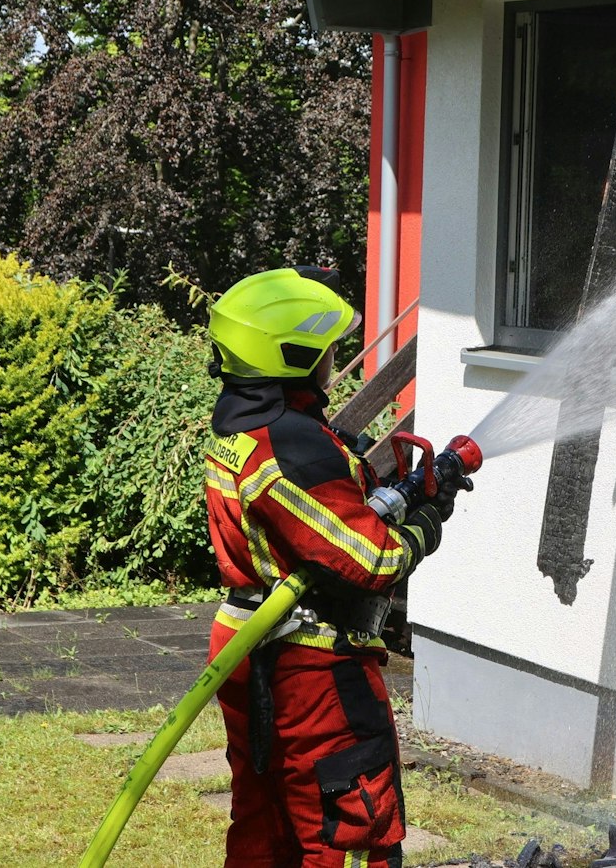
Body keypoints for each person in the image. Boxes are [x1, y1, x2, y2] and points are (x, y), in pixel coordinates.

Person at [202, 266, 453, 868]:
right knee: (348, 821)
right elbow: (374, 558)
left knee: (267, 822)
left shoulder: (245, 422)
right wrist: (428, 521)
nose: (334, 359)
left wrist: (396, 494)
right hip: (311, 664)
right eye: (328, 350)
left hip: (248, 644)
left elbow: (318, 522)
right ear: (293, 355)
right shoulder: (292, 445)